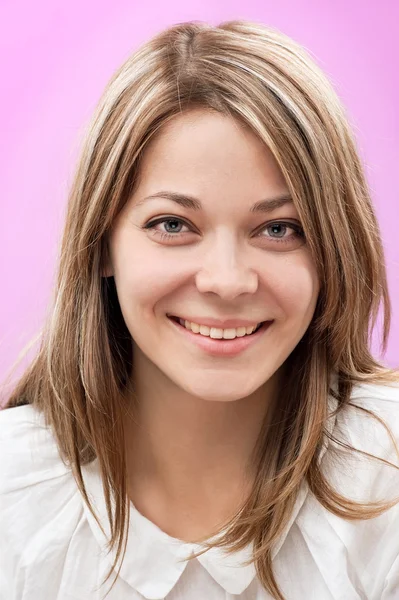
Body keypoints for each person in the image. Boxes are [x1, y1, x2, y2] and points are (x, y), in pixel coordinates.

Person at [1, 18, 398, 600]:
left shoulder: (387, 471)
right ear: (103, 243)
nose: (227, 281)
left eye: (279, 228)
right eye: (173, 225)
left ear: (333, 248)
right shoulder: (12, 493)